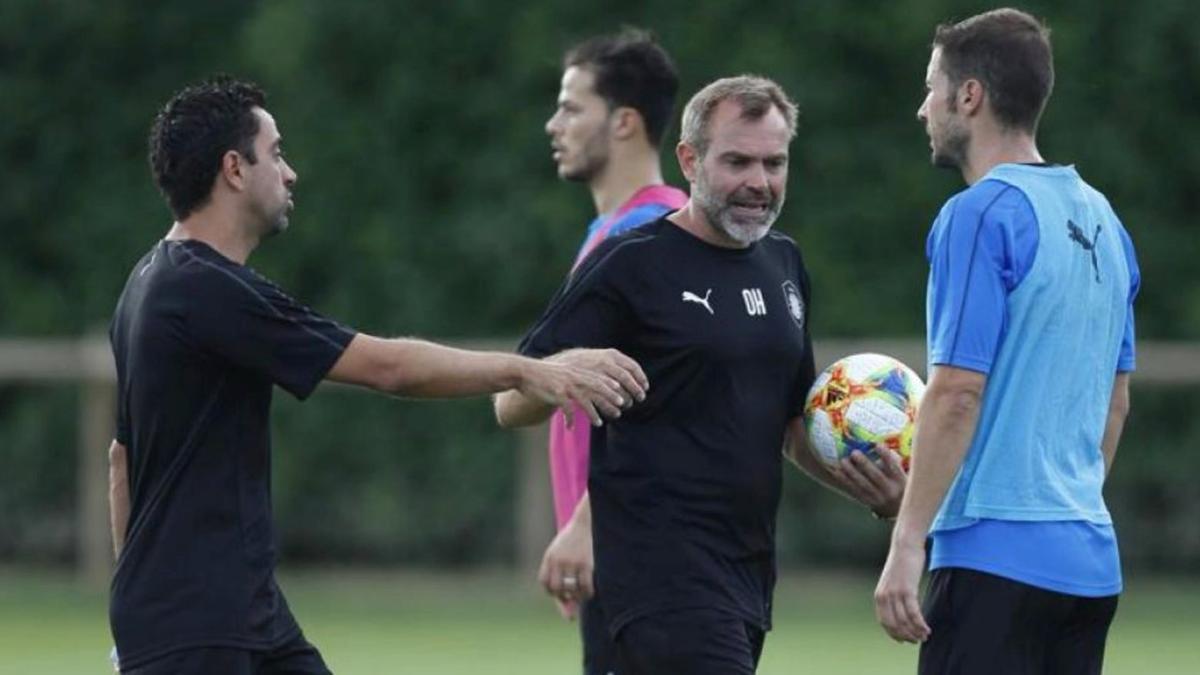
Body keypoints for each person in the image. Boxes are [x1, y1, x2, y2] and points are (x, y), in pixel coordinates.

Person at [106, 76, 645, 675]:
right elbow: (387, 367)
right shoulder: (205, 289)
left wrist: (132, 615)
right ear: (234, 169)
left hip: (238, 611)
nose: (290, 174)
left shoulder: (150, 282)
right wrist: (528, 370)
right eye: (277, 152)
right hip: (195, 622)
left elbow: (119, 463)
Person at [496, 75, 905, 674]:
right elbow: (510, 399)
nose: (759, 183)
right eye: (737, 161)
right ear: (689, 160)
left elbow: (793, 427)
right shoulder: (631, 264)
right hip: (657, 578)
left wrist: (877, 491)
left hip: (748, 576)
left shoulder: (784, 264)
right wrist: (564, 373)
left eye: (774, 163)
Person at [873, 9, 1140, 675]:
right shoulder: (1105, 220)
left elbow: (958, 392)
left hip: (994, 566)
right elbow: (1115, 403)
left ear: (970, 96)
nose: (921, 108)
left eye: (931, 88)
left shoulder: (979, 214)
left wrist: (908, 542)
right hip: (1090, 567)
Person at [535, 28, 686, 674]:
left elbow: (675, 400)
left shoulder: (657, 232)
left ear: (624, 122)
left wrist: (590, 524)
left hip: (646, 561)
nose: (554, 123)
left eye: (572, 107)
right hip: (617, 561)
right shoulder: (612, 230)